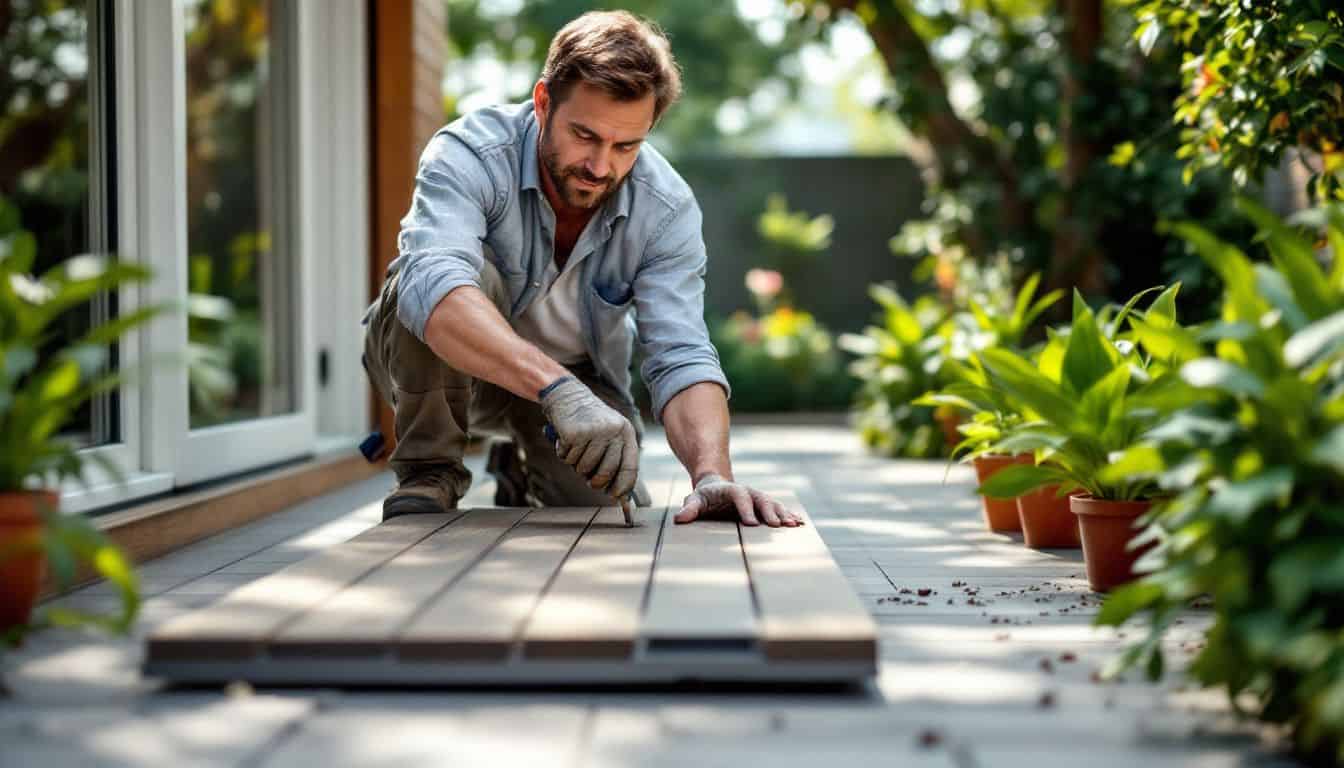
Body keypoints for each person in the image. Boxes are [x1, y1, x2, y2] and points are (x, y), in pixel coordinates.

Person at [361, 10, 801, 528]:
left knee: (601, 511)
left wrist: (711, 474)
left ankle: (519, 467)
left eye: (626, 146)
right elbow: (433, 286)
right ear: (543, 102)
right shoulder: (470, 154)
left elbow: (680, 351)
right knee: (451, 278)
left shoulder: (666, 208)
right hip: (445, 369)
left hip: (575, 379)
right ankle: (429, 471)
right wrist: (557, 390)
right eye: (585, 135)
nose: (600, 166)